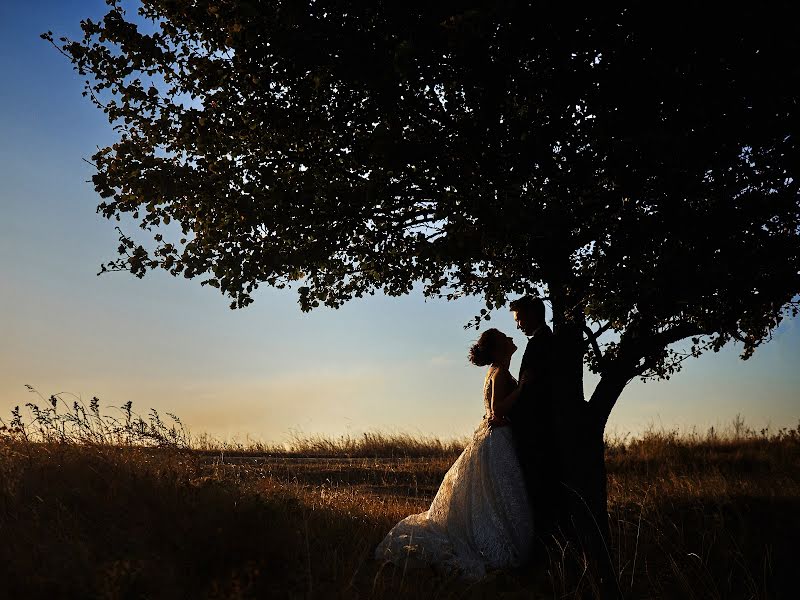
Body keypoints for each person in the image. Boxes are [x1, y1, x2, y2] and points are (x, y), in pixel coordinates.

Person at [374, 328, 533, 579]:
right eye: (505, 338)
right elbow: (497, 411)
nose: (512, 339)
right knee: (500, 494)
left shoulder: (495, 371)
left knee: (492, 496)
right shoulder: (500, 372)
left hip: (494, 438)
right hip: (498, 440)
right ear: (498, 348)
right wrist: (522, 390)